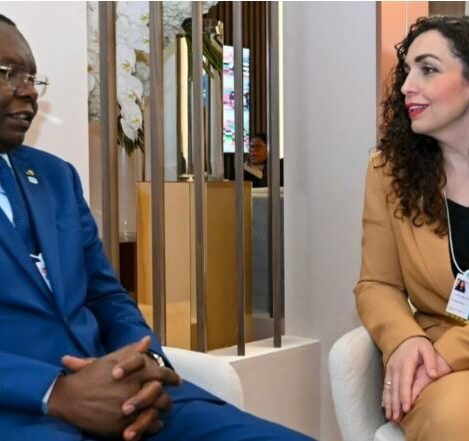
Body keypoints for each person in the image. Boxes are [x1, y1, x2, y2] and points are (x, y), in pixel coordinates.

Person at [0, 14, 314, 441]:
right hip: (23, 411)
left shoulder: (56, 176)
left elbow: (105, 295)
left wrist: (149, 366)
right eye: (10, 73)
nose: (30, 91)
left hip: (125, 392)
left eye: (33, 78)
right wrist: (53, 392)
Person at [355, 15, 469, 441]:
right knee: (454, 419)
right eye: (407, 71)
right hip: (436, 362)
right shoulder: (388, 172)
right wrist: (404, 341)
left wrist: (444, 355)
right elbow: (377, 284)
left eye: (428, 69)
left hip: (440, 358)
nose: (406, 86)